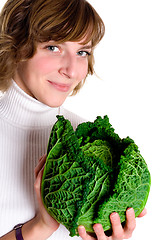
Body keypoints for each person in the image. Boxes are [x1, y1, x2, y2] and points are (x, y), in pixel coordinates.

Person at [0, 0, 146, 239]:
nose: (72, 70)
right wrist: (41, 226)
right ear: (16, 45)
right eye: (53, 47)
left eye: (82, 52)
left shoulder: (88, 139)